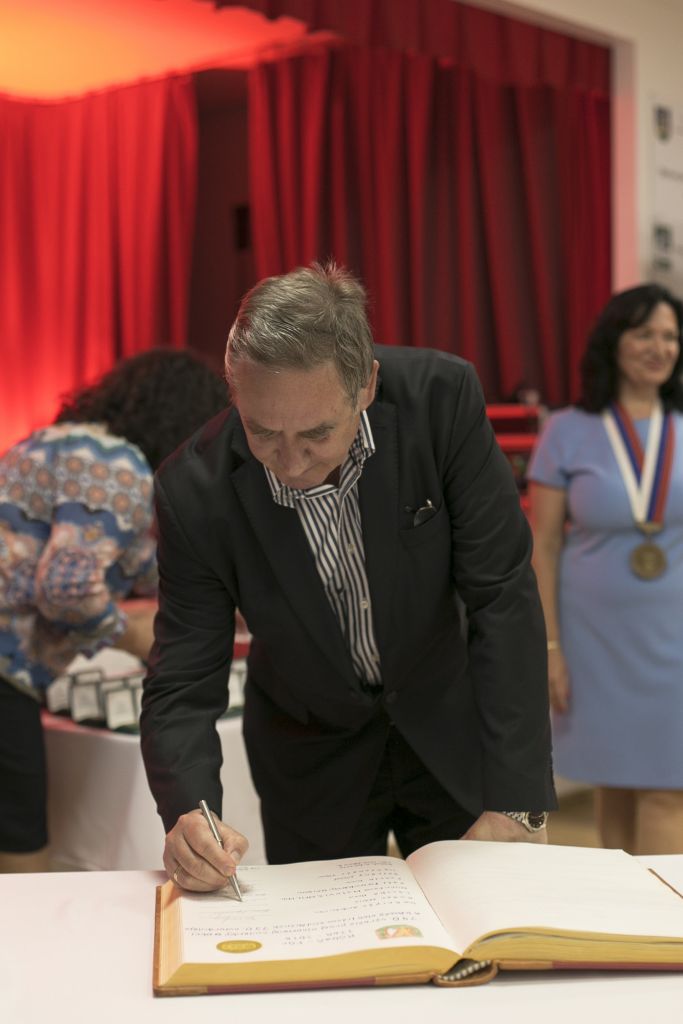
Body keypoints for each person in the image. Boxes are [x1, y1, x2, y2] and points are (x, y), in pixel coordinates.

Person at [141, 262, 556, 893]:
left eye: (316, 433)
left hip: (451, 728)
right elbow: (183, 676)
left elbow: (501, 594)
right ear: (234, 390)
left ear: (366, 385)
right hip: (310, 754)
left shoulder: (440, 402)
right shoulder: (192, 489)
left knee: (485, 925)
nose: (290, 462)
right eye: (262, 432)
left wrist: (519, 800)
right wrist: (189, 813)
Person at [0, 348, 228, 873]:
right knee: (21, 863)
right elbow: (66, 587)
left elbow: (130, 566)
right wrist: (131, 635)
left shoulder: (72, 446)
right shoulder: (118, 465)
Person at [527, 283, 683, 855]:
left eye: (670, 336)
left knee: (669, 788)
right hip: (595, 638)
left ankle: (666, 912)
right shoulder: (567, 429)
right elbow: (544, 545)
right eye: (644, 334)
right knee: (614, 783)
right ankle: (628, 911)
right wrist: (550, 649)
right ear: (614, 341)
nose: (659, 348)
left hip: (675, 638)